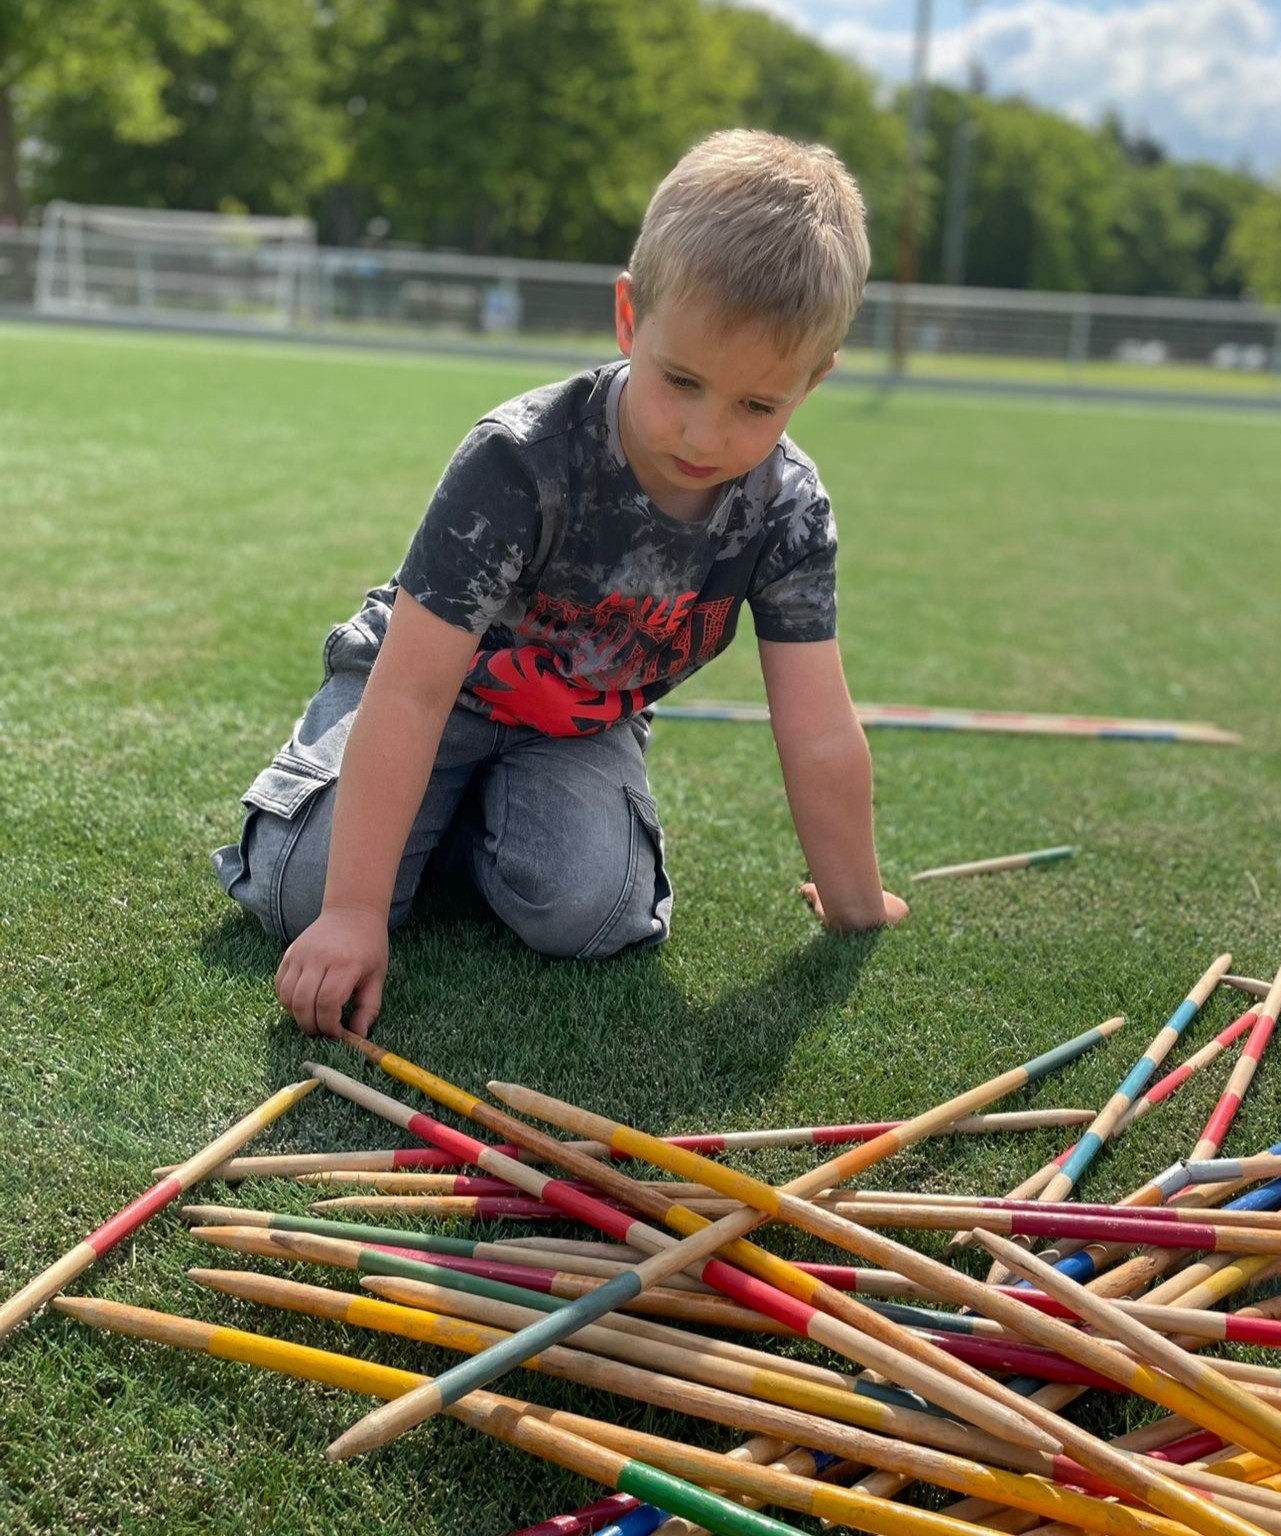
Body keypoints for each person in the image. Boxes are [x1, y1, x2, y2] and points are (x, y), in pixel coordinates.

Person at [213, 129, 908, 1040]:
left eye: (756, 406)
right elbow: (415, 689)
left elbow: (816, 726)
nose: (704, 436)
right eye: (682, 381)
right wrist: (351, 912)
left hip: (575, 727)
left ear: (814, 382)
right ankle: (404, 824)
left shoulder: (787, 509)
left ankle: (450, 830)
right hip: (425, 691)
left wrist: (856, 903)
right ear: (629, 319)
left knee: (596, 914)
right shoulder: (519, 460)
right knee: (301, 895)